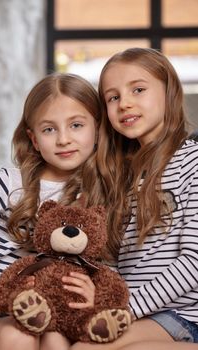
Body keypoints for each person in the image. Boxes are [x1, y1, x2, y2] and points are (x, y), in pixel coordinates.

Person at [68, 48, 198, 349]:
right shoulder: (121, 175)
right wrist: (103, 296)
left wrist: (124, 309)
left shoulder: (193, 163)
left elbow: (194, 262)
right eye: (112, 97)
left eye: (138, 90)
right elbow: (113, 259)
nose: (124, 103)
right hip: (139, 313)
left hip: (184, 315)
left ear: (170, 92)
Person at [0, 72, 100, 350]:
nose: (63, 139)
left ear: (98, 130)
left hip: (20, 311)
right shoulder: (10, 183)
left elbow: (100, 265)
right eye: (49, 129)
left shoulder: (102, 197)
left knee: (21, 338)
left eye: (76, 125)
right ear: (34, 139)